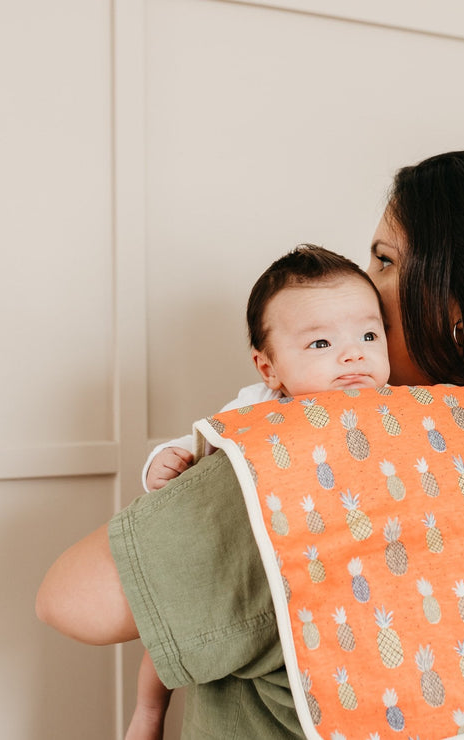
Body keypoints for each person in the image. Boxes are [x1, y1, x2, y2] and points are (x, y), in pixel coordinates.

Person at [37, 150, 464, 739]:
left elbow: (71, 600)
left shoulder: (334, 446)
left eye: (384, 262)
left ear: (457, 308)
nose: (362, 285)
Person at [125, 244, 390, 739]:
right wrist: (164, 461)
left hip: (329, 558)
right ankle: (148, 712)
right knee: (169, 624)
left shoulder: (394, 406)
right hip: (249, 552)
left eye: (370, 335)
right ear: (269, 368)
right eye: (320, 343)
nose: (354, 353)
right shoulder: (260, 406)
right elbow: (198, 443)